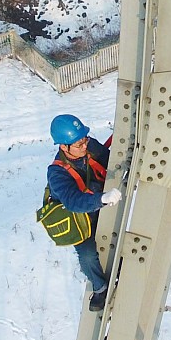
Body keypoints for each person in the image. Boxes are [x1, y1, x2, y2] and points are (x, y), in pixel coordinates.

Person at [47, 113, 121, 311]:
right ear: (64, 147)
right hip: (78, 218)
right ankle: (100, 287)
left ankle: (120, 264)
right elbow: (73, 202)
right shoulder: (57, 173)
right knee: (87, 254)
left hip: (98, 202)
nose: (84, 145)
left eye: (85, 139)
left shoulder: (90, 146)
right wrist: (101, 199)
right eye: (78, 144)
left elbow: (110, 160)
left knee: (116, 235)